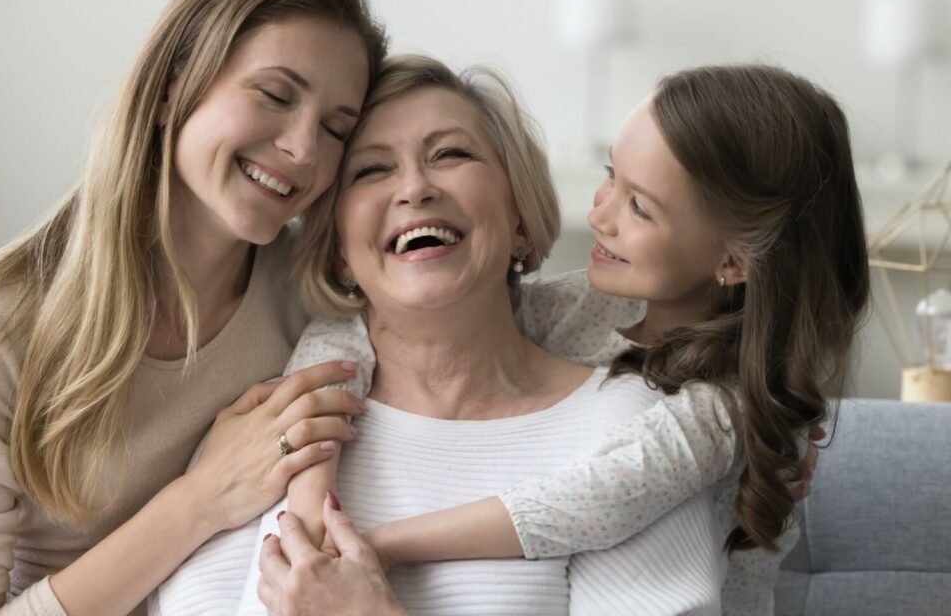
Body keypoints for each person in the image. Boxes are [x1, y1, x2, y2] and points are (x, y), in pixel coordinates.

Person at [156, 55, 789, 616]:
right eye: (371, 171)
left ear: (518, 216)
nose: (415, 188)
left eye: (450, 154)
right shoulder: (267, 433)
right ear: (338, 251)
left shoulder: (629, 427)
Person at [0, 0, 389, 615]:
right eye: (276, 95)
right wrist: (199, 502)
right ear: (174, 85)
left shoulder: (318, 300)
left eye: (336, 129)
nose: (304, 149)